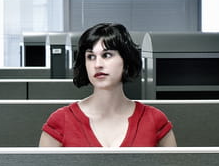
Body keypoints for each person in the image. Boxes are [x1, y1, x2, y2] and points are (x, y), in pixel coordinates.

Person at [38, 22, 176, 148]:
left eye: (107, 55)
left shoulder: (154, 120)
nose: (97, 65)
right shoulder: (61, 121)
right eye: (91, 57)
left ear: (125, 61)